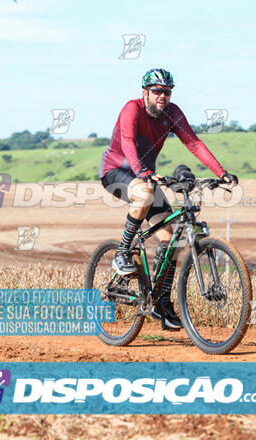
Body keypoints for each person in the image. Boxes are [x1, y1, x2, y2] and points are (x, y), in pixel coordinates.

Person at [99, 68, 238, 329]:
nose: (162, 96)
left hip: (147, 176)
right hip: (116, 172)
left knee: (170, 238)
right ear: (145, 93)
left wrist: (221, 173)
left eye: (167, 92)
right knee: (144, 193)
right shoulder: (132, 109)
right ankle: (122, 252)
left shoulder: (172, 113)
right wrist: (140, 171)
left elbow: (194, 143)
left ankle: (161, 302)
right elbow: (128, 142)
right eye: (157, 91)